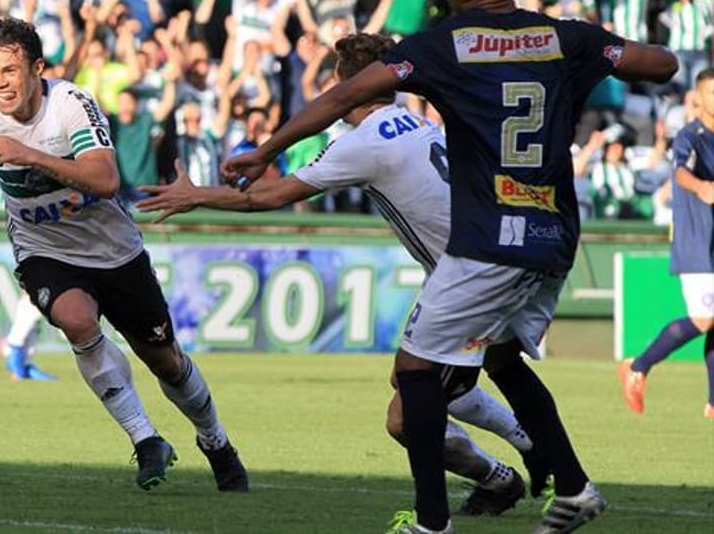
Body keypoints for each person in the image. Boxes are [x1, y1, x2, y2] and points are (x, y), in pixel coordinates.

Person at [222, 0, 677, 533]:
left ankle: (433, 524)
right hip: (556, 235)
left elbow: (350, 93)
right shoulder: (566, 37)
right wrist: (598, 53)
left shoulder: (447, 44)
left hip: (490, 237)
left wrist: (268, 148)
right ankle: (573, 487)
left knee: (414, 374)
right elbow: (662, 63)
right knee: (504, 360)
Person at [139, 49, 547, 517]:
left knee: (406, 417)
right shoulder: (412, 120)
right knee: (425, 376)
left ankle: (510, 469)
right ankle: (517, 461)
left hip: (468, 280)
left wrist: (197, 196)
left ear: (350, 88)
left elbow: (272, 196)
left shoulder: (367, 141)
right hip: (472, 268)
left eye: (336, 87)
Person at [0, 17, 247, 492]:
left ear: (37, 69)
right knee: (76, 320)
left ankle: (215, 441)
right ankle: (145, 439)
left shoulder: (72, 104)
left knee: (165, 361)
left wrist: (30, 155)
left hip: (114, 251)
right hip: (44, 251)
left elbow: (105, 179)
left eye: (10, 71)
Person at [619, 68, 714, 418]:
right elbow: (680, 172)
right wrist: (702, 187)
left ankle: (713, 404)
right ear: (698, 98)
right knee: (704, 319)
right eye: (712, 93)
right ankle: (638, 365)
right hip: (697, 241)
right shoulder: (692, 135)